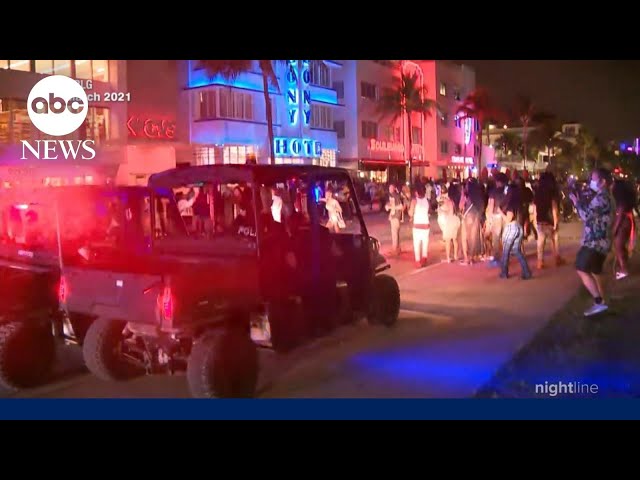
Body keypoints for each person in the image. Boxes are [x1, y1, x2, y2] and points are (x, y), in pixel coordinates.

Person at [570, 168, 614, 317]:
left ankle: (599, 302)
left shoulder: (602, 198)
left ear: (603, 182)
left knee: (581, 268)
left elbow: (586, 215)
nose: (591, 182)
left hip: (595, 242)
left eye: (594, 179)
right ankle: (604, 300)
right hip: (601, 241)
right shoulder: (605, 197)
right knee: (596, 271)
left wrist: (576, 203)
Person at [499, 183, 533, 280]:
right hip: (519, 227)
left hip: (511, 228)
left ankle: (504, 273)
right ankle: (526, 272)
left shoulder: (511, 204)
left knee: (506, 251)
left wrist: (501, 212)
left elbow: (508, 219)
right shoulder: (520, 203)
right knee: (517, 251)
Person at [532, 172, 565, 269]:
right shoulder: (551, 192)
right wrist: (556, 221)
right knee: (554, 240)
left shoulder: (538, 193)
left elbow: (534, 208)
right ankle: (557, 258)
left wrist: (534, 220)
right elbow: (554, 208)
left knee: (540, 242)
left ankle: (540, 261)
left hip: (540, 220)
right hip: (549, 220)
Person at [611, 179, 637, 280]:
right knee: (621, 246)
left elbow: (620, 214)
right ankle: (624, 266)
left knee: (618, 247)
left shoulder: (621, 201)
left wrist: (615, 228)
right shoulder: (626, 199)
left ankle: (624, 270)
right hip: (628, 220)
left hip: (623, 222)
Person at [486, 173, 508, 267]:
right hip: (506, 216)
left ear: (497, 181)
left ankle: (496, 258)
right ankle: (505, 258)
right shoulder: (507, 190)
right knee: (505, 238)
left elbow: (491, 205)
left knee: (496, 238)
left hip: (496, 216)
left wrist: (489, 219)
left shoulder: (493, 191)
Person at [459, 178, 483, 265]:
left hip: (467, 215)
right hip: (476, 215)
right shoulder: (479, 194)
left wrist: (462, 194)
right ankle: (471, 257)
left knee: (464, 237)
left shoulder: (467, 195)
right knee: (473, 237)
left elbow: (460, 206)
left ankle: (466, 259)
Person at [409, 182, 430, 268]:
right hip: (426, 224)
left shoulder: (414, 201)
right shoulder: (426, 201)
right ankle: (424, 258)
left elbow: (410, 213)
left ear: (417, 192)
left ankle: (418, 261)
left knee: (416, 244)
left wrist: (410, 212)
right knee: (425, 242)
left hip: (417, 225)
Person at [437, 185, 461, 263]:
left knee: (447, 240)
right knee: (454, 239)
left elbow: (444, 210)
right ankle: (455, 256)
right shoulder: (452, 201)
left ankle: (448, 258)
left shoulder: (444, 200)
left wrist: (441, 210)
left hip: (449, 221)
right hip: (455, 220)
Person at [385, 184, 404, 255]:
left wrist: (390, 207)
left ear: (394, 189)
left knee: (394, 234)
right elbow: (393, 205)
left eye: (391, 188)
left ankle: (395, 249)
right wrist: (388, 207)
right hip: (394, 217)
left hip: (396, 217)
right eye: (389, 188)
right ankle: (397, 249)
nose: (389, 190)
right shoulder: (393, 196)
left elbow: (400, 206)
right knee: (396, 234)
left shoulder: (395, 196)